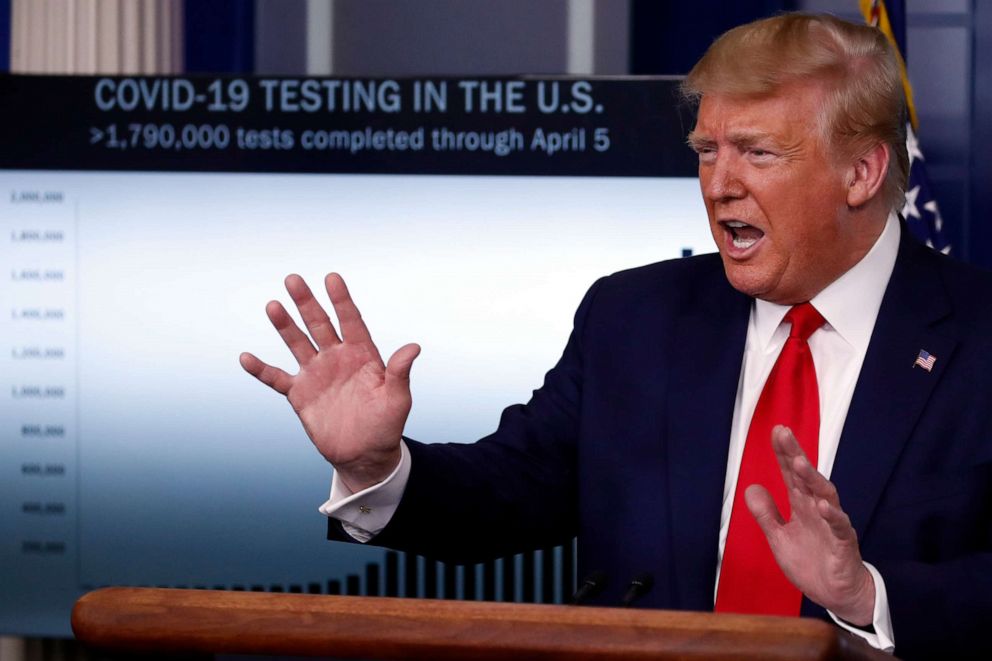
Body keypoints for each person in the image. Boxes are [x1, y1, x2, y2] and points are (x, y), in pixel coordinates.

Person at [240, 13, 992, 660]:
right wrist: (379, 464)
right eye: (706, 150)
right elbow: (511, 490)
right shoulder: (634, 317)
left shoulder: (978, 337)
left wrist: (869, 596)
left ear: (862, 171)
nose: (718, 183)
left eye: (758, 152)